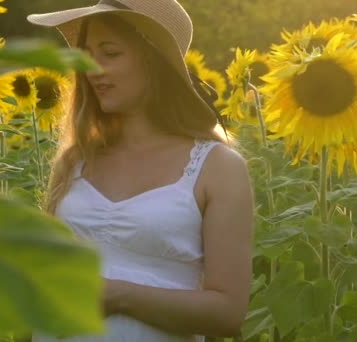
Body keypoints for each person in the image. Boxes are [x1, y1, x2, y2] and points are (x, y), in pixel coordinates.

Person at [27, 1, 254, 341]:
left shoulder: (217, 168)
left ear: (154, 61)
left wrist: (119, 296)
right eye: (87, 54)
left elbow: (227, 313)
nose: (92, 69)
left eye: (110, 53)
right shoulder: (76, 160)